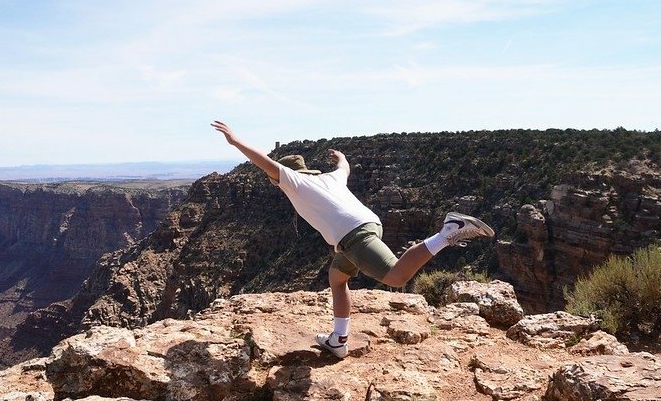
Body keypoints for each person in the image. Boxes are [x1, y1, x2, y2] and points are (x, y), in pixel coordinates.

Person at [211, 121, 494, 359]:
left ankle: (448, 232)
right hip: (364, 228)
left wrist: (235, 141)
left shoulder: (295, 182)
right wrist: (340, 156)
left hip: (355, 236)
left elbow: (265, 162)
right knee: (337, 278)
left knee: (396, 277)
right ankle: (338, 339)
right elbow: (345, 166)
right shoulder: (331, 178)